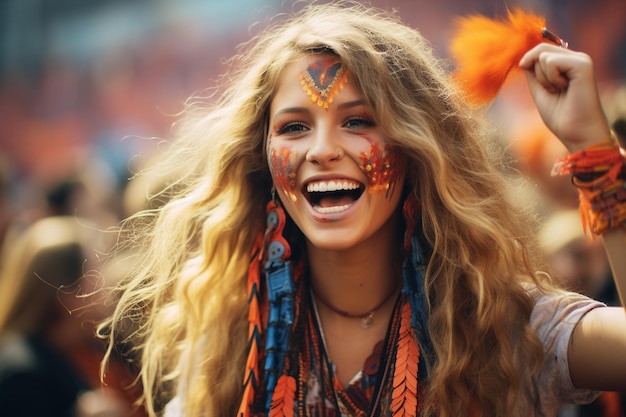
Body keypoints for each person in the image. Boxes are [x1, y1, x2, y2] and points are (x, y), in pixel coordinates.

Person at [101, 2, 626, 417]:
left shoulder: (506, 328)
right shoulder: (232, 342)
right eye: (294, 127)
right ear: (261, 158)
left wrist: (595, 151)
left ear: (418, 147)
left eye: (359, 121)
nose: (322, 149)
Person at [0, 216, 143, 417]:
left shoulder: (107, 343)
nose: (110, 283)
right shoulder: (21, 374)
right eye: (98, 270)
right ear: (68, 294)